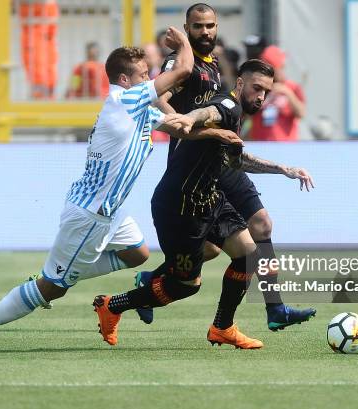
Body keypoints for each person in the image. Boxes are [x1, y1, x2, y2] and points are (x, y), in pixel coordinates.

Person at [0, 27, 241, 351]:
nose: (149, 79)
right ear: (123, 79)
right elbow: (184, 70)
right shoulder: (124, 100)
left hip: (110, 212)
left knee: (137, 253)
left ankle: (58, 271)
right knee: (54, 289)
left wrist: (216, 135)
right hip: (91, 214)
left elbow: (179, 125)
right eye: (143, 74)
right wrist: (185, 44)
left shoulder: (138, 109)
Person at [93, 59, 314, 349]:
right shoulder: (228, 106)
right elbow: (209, 111)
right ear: (239, 84)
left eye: (265, 91)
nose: (260, 96)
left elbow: (238, 160)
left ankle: (223, 327)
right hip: (180, 206)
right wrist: (190, 118)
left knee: (248, 253)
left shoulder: (236, 115)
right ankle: (113, 305)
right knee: (184, 286)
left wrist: (283, 169)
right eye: (256, 88)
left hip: (209, 198)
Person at [136, 2, 316, 333]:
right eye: (199, 26)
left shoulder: (213, 64)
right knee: (216, 247)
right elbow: (156, 98)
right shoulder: (181, 63)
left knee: (246, 232)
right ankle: (154, 283)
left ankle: (273, 309)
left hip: (219, 160)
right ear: (187, 27)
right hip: (196, 164)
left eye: (210, 26)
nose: (206, 31)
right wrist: (183, 124)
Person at [250, 45, 306, 141]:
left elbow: (301, 113)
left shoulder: (292, 87)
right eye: (280, 67)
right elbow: (247, 113)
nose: (283, 69)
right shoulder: (256, 87)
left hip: (285, 147)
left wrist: (287, 93)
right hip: (259, 145)